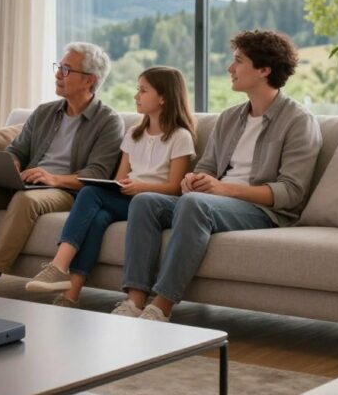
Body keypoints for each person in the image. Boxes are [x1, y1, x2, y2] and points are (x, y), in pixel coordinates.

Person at [113, 30, 322, 322]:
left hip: (263, 211)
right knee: (147, 201)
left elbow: (291, 192)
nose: (229, 68)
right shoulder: (229, 118)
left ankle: (161, 306)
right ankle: (134, 301)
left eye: (238, 61)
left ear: (264, 70)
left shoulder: (299, 122)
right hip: (214, 201)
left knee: (194, 204)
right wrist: (194, 180)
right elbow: (207, 168)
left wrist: (222, 190)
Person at [0, 42, 126, 296]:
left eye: (67, 69)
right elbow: (17, 149)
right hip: (30, 181)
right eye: (59, 67)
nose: (58, 74)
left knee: (26, 200)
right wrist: (12, 163)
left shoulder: (109, 122)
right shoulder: (44, 112)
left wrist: (53, 178)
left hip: (67, 190)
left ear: (90, 80)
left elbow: (97, 175)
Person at [26, 67, 197, 308]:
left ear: (164, 97)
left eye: (143, 90)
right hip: (128, 200)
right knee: (98, 218)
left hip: (154, 205)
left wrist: (141, 187)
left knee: (88, 193)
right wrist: (125, 185)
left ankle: (58, 267)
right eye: (138, 89)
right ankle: (70, 295)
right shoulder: (134, 134)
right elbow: (119, 179)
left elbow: (175, 189)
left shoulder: (180, 137)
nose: (136, 96)